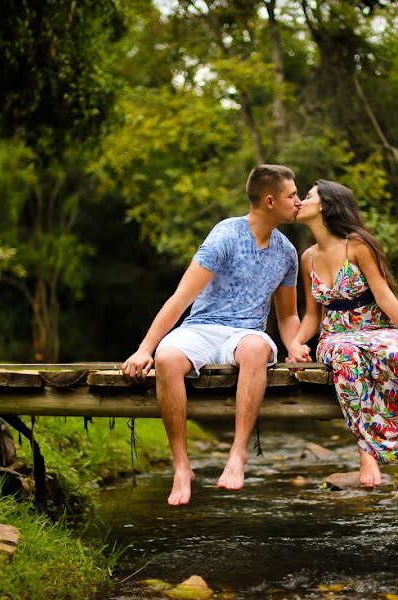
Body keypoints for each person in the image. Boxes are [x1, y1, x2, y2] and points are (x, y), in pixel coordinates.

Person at [121, 165, 302, 505]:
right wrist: (145, 349)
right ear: (269, 200)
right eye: (292, 195)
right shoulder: (225, 235)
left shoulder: (287, 253)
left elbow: (289, 314)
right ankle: (181, 467)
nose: (298, 200)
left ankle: (237, 455)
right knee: (167, 357)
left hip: (247, 333)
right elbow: (181, 298)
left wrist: (293, 345)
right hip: (202, 327)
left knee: (253, 350)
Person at [287, 180, 398, 487]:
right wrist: (296, 342)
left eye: (307, 197)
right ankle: (366, 452)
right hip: (336, 335)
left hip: (377, 328)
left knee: (389, 352)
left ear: (325, 205)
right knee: (347, 355)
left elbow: (386, 296)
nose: (300, 202)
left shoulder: (359, 245)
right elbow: (313, 314)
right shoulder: (307, 257)